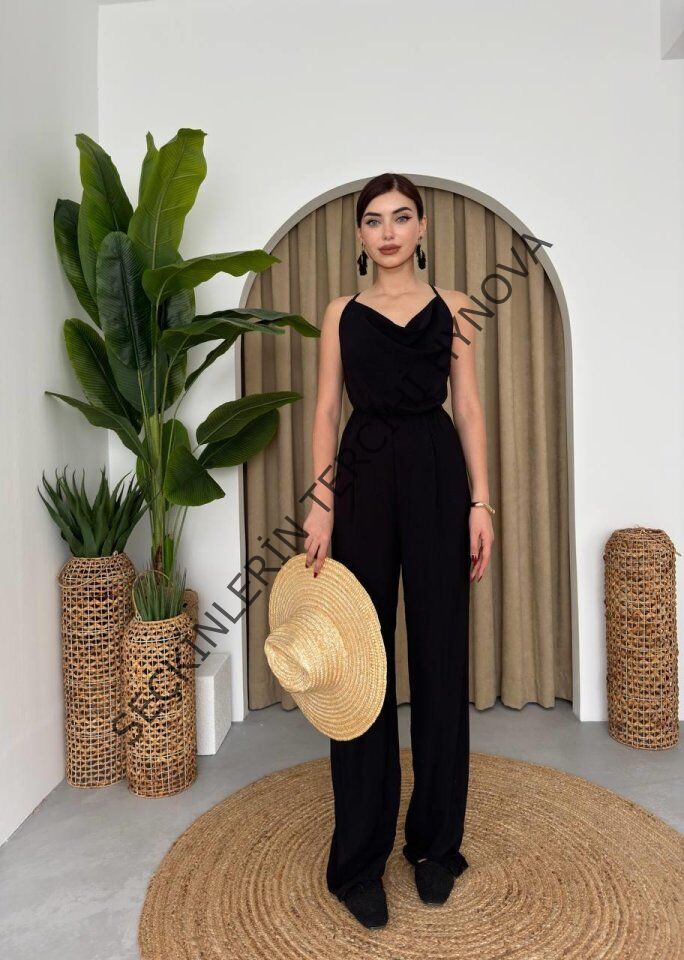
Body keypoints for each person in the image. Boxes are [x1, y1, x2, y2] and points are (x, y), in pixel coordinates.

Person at [303, 172, 494, 928]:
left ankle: (436, 846)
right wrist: (320, 505)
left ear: (422, 228)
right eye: (375, 220)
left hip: (439, 475)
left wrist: (482, 502)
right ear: (359, 235)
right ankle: (358, 859)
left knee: (441, 656)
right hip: (360, 481)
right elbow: (325, 411)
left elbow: (469, 408)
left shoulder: (457, 307)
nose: (388, 232)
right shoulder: (340, 314)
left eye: (401, 217)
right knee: (361, 662)